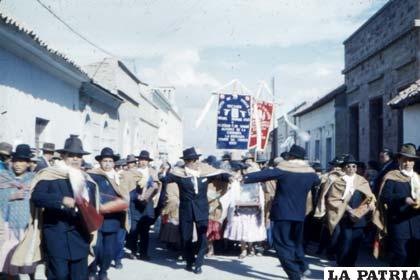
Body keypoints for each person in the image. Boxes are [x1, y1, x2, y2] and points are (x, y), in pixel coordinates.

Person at [243, 145, 320, 280]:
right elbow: (317, 182)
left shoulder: (285, 170)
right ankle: (303, 266)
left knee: (282, 246)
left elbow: (263, 175)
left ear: (291, 157)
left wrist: (245, 177)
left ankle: (294, 274)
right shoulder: (311, 174)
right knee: (296, 242)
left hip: (282, 213)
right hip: (300, 214)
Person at [28, 135, 98, 280]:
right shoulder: (50, 175)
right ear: (63, 156)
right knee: (58, 275)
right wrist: (61, 200)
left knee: (79, 276)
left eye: (78, 156)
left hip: (80, 236)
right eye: (71, 155)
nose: (75, 159)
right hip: (56, 235)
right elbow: (36, 197)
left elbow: (94, 207)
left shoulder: (87, 180)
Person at [164, 147, 232, 274]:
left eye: (197, 159)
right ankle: (189, 261)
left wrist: (229, 177)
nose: (196, 162)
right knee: (186, 237)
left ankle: (199, 263)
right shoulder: (180, 175)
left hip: (201, 209)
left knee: (202, 236)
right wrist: (163, 174)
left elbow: (220, 174)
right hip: (186, 211)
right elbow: (166, 179)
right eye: (193, 160)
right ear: (187, 162)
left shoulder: (204, 173)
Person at [325, 155, 376, 266]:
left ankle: (351, 265)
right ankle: (343, 265)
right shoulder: (338, 181)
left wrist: (361, 210)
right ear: (344, 168)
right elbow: (333, 199)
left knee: (355, 244)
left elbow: (369, 197)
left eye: (354, 166)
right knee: (346, 241)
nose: (351, 169)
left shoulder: (362, 181)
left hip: (359, 217)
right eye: (348, 166)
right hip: (344, 216)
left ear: (356, 168)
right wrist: (349, 210)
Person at [374, 144, 420, 266]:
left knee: (414, 257)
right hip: (398, 224)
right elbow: (385, 197)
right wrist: (404, 199)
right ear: (399, 160)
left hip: (416, 224)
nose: (407, 163)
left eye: (410, 160)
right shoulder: (391, 177)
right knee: (401, 256)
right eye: (404, 160)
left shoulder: (417, 178)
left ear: (414, 162)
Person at [88, 147, 128, 280]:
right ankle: (93, 269)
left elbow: (126, 195)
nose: (107, 163)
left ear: (114, 163)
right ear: (100, 162)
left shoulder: (119, 177)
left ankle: (103, 271)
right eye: (104, 161)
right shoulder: (93, 175)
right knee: (96, 246)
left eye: (110, 161)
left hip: (114, 218)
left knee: (109, 249)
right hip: (97, 216)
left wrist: (120, 204)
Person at [0, 144, 35, 278]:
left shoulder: (34, 179)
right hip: (7, 224)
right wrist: (12, 195)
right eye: (15, 161)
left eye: (22, 161)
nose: (18, 165)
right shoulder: (3, 177)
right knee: (7, 256)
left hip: (27, 223)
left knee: (26, 257)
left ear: (28, 163)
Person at [223, 158, 266, 259]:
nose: (247, 171)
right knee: (242, 229)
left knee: (250, 229)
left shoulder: (257, 182)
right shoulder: (237, 181)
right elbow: (233, 195)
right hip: (240, 209)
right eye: (245, 169)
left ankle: (250, 247)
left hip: (253, 209)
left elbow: (260, 195)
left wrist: (260, 205)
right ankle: (243, 249)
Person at [125, 150, 160, 260]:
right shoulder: (132, 171)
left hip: (147, 203)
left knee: (145, 230)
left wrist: (150, 191)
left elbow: (157, 185)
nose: (143, 162)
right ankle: (133, 251)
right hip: (134, 203)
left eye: (145, 160)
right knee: (134, 229)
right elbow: (127, 187)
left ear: (148, 161)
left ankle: (144, 253)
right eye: (141, 160)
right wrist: (136, 195)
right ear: (138, 160)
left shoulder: (152, 172)